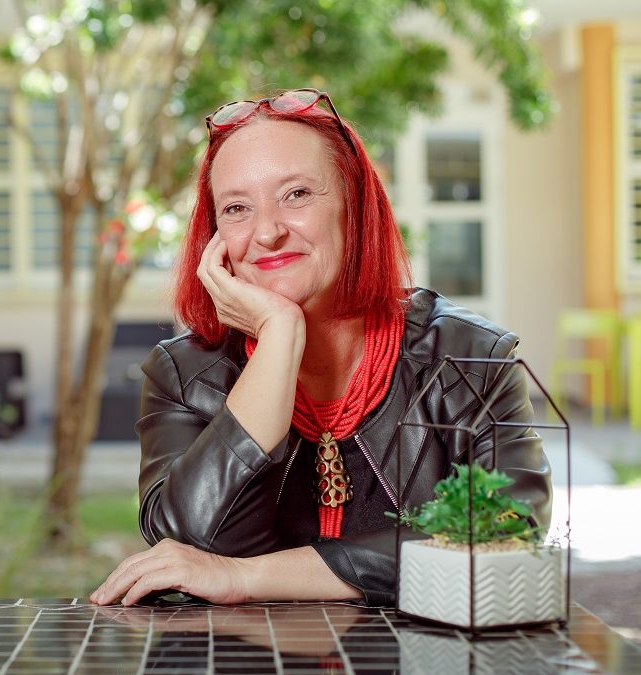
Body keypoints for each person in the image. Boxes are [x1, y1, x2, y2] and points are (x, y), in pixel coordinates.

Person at [89, 88, 550, 607]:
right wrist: (279, 336)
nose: (267, 232)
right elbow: (191, 542)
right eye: (237, 208)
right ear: (214, 239)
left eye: (297, 195)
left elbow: (508, 533)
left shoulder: (470, 358)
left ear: (354, 207)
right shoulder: (183, 374)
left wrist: (247, 578)